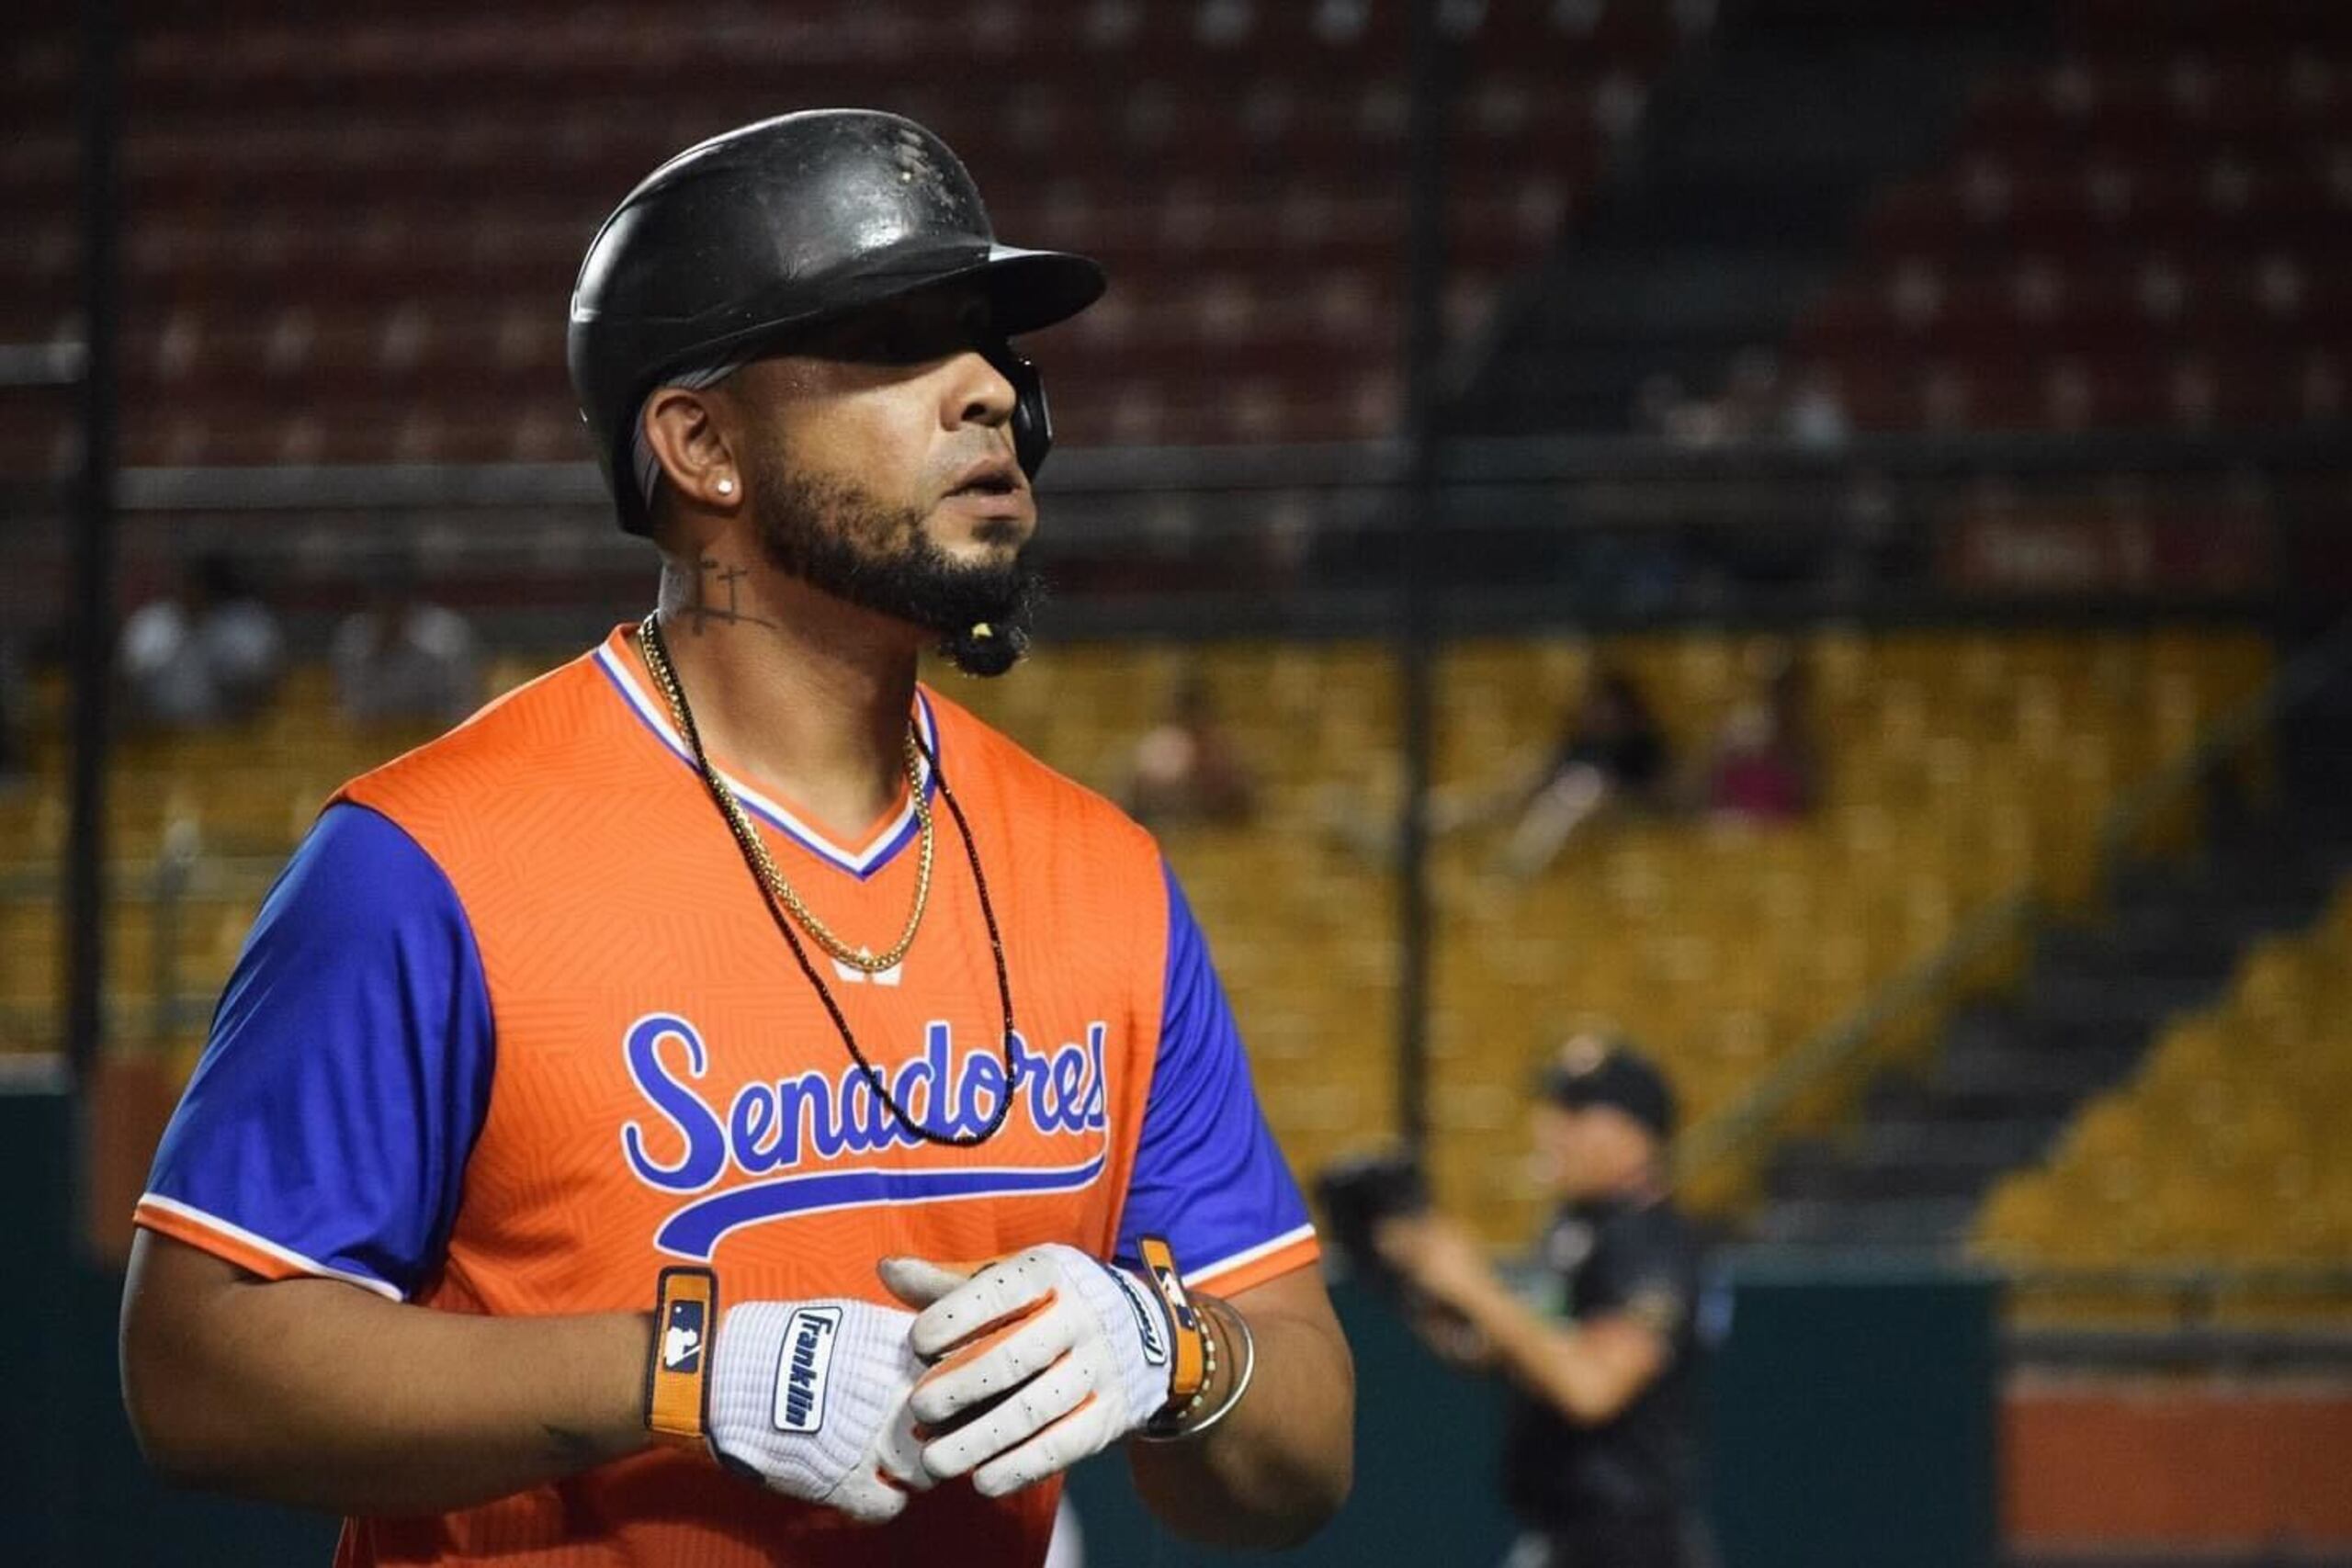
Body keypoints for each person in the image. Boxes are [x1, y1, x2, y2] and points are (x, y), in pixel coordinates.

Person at [119, 110, 1352, 1567]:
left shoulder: (1107, 877)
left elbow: (1300, 1456)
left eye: (992, 348)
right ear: (698, 442)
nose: (988, 395)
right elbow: (194, 1368)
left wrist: (1169, 1349)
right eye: (898, 341)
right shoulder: (427, 857)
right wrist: (680, 1369)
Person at [1377, 1034, 1706, 1568]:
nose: (1550, 1129)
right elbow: (1505, 1353)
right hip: (1562, 1536)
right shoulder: (1575, 1229)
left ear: (1635, 1133)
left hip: (1630, 1546)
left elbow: (1591, 1387)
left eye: (1577, 1112)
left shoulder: (1653, 1242)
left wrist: (1477, 1288)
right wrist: (1412, 1286)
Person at [118, 550, 285, 728]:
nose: (183, 586)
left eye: (190, 581)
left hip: (231, 741)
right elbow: (124, 685)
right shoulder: (154, 621)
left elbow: (261, 691)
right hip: (160, 740)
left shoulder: (244, 623)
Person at [331, 552, 481, 727]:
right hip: (372, 743)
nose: (387, 606)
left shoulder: (447, 636)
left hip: (438, 740)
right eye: (379, 597)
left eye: (395, 598)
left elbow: (464, 707)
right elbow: (350, 709)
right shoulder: (353, 637)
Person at [1124, 669, 1256, 828]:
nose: (1193, 720)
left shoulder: (1223, 747)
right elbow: (1135, 801)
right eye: (1187, 713)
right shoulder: (1158, 746)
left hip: (1214, 832)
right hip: (1164, 829)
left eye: (1199, 714)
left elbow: (1244, 805)